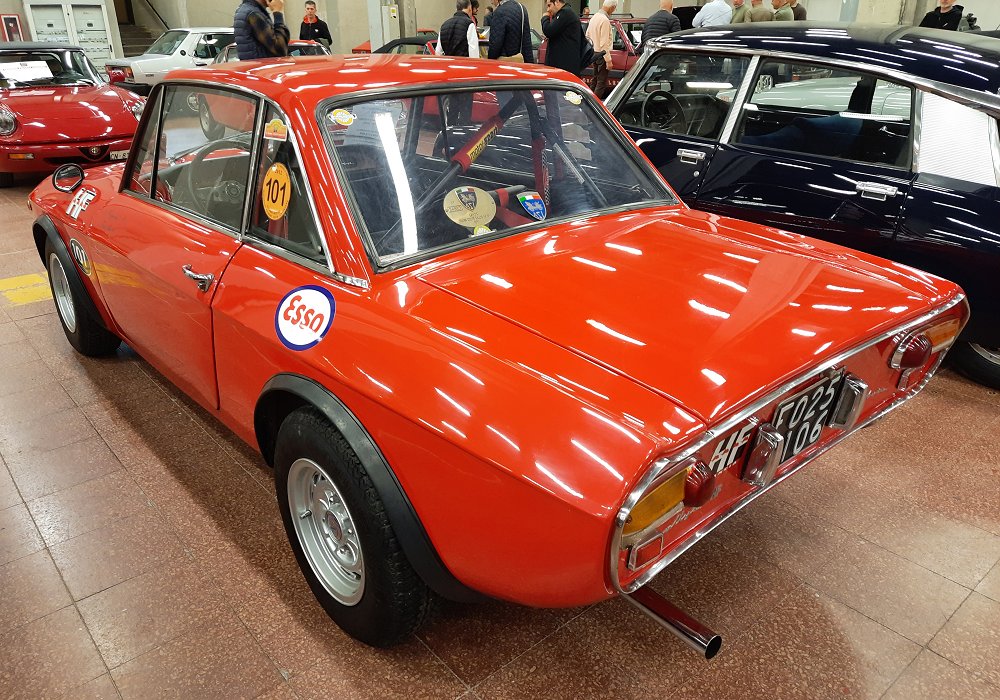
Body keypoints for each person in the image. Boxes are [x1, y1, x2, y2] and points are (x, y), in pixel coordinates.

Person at [540, 0, 582, 75]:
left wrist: (545, 18)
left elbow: (549, 30)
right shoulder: (565, 14)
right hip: (563, 66)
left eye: (549, 5)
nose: (548, 10)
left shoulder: (565, 13)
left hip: (564, 68)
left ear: (556, 2)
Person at [586, 0, 616, 98]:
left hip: (594, 52)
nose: (613, 12)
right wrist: (608, 60)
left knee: (594, 80)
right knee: (601, 82)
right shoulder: (604, 20)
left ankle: (589, 100)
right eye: (614, 9)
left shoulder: (594, 17)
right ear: (612, 7)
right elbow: (604, 44)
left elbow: (587, 36)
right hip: (602, 54)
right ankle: (595, 106)